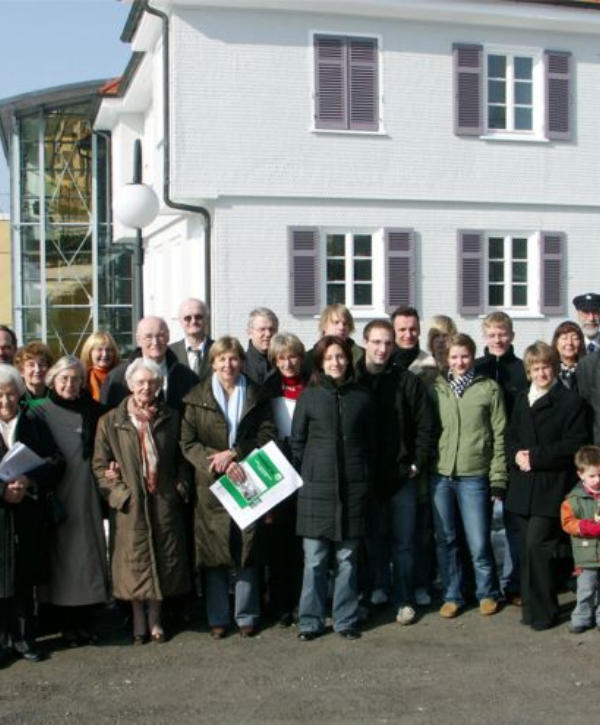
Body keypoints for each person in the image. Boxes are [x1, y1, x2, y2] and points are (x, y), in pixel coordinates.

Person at [181, 336, 276, 638]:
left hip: (247, 478)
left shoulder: (257, 395)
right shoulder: (195, 397)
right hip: (212, 483)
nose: (228, 364)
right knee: (214, 553)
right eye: (221, 359)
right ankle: (218, 616)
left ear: (241, 362)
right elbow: (188, 442)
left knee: (247, 549)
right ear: (212, 364)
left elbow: (267, 434)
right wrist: (216, 462)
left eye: (233, 358)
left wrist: (236, 454)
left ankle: (246, 615)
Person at [93, 359, 190, 644]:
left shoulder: (171, 418)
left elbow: (183, 458)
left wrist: (180, 487)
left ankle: (155, 618)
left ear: (159, 386)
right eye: (140, 382)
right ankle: (137, 618)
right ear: (130, 384)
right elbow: (100, 466)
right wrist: (119, 494)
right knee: (133, 560)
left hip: (163, 500)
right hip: (130, 504)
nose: (146, 387)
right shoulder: (111, 421)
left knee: (163, 557)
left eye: (152, 382)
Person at [292, 335, 374, 641]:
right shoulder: (309, 397)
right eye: (329, 358)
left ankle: (345, 620)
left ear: (348, 360)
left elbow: (370, 443)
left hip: (353, 488)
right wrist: (308, 475)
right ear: (320, 363)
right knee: (314, 560)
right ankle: (310, 621)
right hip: (316, 490)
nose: (335, 362)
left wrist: (364, 476)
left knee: (347, 560)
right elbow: (298, 442)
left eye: (340, 356)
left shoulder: (361, 397)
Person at [505, 341, 588, 631]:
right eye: (535, 368)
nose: (541, 373)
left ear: (554, 368)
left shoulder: (571, 403)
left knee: (538, 546)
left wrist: (536, 458)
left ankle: (545, 610)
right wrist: (515, 454)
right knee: (526, 551)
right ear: (528, 371)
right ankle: (532, 609)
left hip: (550, 486)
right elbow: (510, 435)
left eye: (546, 367)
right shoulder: (520, 400)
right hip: (523, 486)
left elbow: (573, 444)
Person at [355, 320, 433, 625]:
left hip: (402, 476)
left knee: (404, 543)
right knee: (371, 542)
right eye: (376, 342)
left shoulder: (407, 381)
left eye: (388, 343)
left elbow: (426, 425)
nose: (382, 348)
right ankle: (374, 591)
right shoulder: (354, 379)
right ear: (365, 342)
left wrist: (417, 463)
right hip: (367, 477)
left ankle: (404, 598)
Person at [430, 333, 505, 619]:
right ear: (446, 359)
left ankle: (487, 592)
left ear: (472, 357)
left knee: (478, 540)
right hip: (441, 475)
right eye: (454, 357)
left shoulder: (488, 389)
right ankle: (452, 594)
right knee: (446, 540)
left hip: (475, 475)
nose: (459, 362)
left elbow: (499, 434)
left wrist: (498, 475)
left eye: (464, 356)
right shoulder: (436, 389)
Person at [35, 356, 108, 645]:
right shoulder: (40, 413)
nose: (70, 384)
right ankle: (66, 624)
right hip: (59, 494)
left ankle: (86, 621)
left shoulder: (94, 412)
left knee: (88, 556)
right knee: (62, 561)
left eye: (76, 379)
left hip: (87, 493)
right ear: (53, 380)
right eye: (64, 378)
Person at [0, 364, 64, 665]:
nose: (5, 402)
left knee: (24, 578)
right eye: (0, 396)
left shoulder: (33, 423)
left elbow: (55, 461)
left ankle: (25, 638)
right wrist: (2, 491)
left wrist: (29, 480)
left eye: (11, 394)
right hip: (1, 513)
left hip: (27, 513)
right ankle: (2, 641)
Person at [474, 311, 528, 605]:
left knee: (513, 525)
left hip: (513, 456)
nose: (497, 339)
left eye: (502, 334)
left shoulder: (522, 370)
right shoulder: (477, 368)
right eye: (492, 334)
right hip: (481, 456)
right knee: (478, 527)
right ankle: (484, 585)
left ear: (512, 335)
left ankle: (514, 583)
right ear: (485, 336)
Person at [261, 332, 307, 626]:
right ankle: (280, 605)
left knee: (303, 543)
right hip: (276, 468)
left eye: (292, 356)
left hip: (307, 466)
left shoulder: (313, 385)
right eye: (281, 358)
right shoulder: (267, 388)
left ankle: (303, 602)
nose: (288, 363)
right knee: (278, 543)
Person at [100, 316, 198, 412]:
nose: (155, 342)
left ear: (168, 337)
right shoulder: (116, 378)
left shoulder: (187, 377)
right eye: (148, 337)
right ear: (138, 340)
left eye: (160, 335)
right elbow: (107, 420)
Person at [561, 445, 600, 634]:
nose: (597, 480)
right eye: (592, 476)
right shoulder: (573, 499)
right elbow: (567, 523)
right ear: (581, 474)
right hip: (585, 553)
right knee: (586, 588)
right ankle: (581, 617)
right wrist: (585, 527)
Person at [304, 304, 364, 376]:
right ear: (324, 326)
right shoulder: (309, 358)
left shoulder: (362, 355)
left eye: (345, 324)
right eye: (336, 322)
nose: (341, 327)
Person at [169, 298, 214, 380]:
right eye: (187, 318)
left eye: (198, 317)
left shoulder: (219, 350)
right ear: (180, 321)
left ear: (207, 319)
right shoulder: (170, 352)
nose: (193, 321)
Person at [80, 331, 121, 402]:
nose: (105, 354)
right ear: (89, 352)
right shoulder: (82, 378)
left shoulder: (121, 376)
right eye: (99, 349)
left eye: (109, 350)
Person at [243, 308, 279, 385]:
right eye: (262, 329)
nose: (268, 334)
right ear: (250, 332)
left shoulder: (286, 364)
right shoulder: (240, 365)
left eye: (272, 329)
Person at [13, 341, 54, 407]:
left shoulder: (57, 398)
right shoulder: (15, 399)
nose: (37, 370)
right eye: (31, 365)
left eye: (41, 364)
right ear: (21, 371)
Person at [551, 320, 585, 392]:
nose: (569, 343)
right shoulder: (549, 369)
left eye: (575, 338)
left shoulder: (588, 369)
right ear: (556, 342)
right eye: (564, 338)